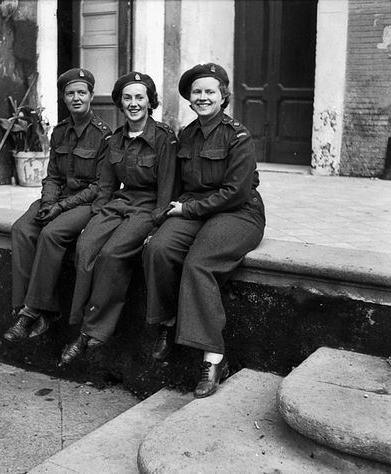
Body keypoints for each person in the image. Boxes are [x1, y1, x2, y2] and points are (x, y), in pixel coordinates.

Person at [143, 63, 265, 398]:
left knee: (199, 263)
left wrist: (188, 209)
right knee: (159, 249)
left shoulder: (238, 135)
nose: (203, 97)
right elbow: (180, 184)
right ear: (189, 98)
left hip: (238, 213)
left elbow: (236, 192)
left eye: (210, 91)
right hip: (195, 209)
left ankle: (214, 358)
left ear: (223, 96)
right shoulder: (187, 135)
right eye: (197, 92)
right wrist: (165, 217)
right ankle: (168, 323)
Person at [59, 71, 178, 364]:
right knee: (86, 246)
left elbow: (167, 190)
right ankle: (79, 319)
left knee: (112, 254)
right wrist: (96, 219)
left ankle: (91, 334)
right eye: (127, 98)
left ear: (150, 102)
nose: (133, 104)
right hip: (119, 204)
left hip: (148, 207)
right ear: (119, 103)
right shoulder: (114, 138)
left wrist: (158, 224)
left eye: (140, 97)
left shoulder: (164, 138)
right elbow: (106, 187)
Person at [4, 68, 111, 342]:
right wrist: (49, 202)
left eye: (82, 93)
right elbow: (52, 175)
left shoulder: (103, 135)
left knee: (52, 234)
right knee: (22, 228)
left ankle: (32, 313)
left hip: (87, 201)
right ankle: (29, 309)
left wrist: (60, 209)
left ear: (90, 96)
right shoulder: (60, 132)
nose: (76, 98)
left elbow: (99, 187)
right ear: (64, 97)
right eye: (70, 93)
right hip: (58, 197)